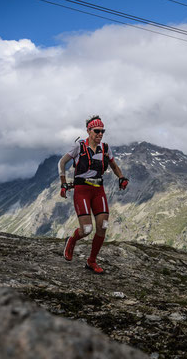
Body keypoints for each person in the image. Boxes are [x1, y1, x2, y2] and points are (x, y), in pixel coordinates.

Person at [58, 115, 129, 274]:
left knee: (103, 226)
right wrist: (63, 183)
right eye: (97, 131)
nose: (100, 134)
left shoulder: (105, 148)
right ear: (88, 131)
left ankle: (91, 261)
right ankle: (72, 240)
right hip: (82, 190)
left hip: (98, 190)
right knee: (87, 229)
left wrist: (122, 177)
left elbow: (113, 165)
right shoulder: (79, 146)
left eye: (102, 131)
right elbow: (62, 162)